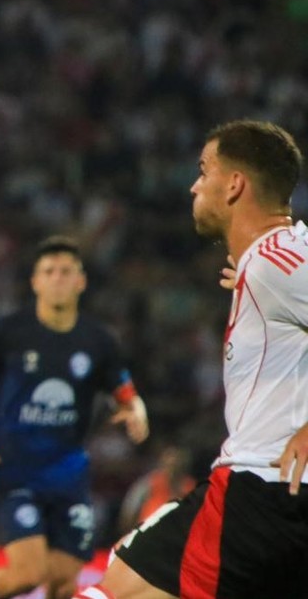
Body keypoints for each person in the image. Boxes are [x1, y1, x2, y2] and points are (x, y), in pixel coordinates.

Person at [79, 121, 308, 599]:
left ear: (235, 184)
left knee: (122, 585)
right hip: (278, 498)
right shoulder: (272, 263)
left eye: (204, 171)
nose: (194, 186)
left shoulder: (276, 264)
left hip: (262, 492)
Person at [0, 236, 149, 599]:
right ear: (35, 282)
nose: (57, 278)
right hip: (16, 471)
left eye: (65, 271)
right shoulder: (9, 331)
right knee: (29, 574)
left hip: (69, 475)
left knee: (62, 583)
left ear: (81, 281)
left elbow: (125, 393)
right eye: (49, 271)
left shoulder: (98, 341)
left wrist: (136, 410)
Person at [115, 445, 195, 537]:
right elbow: (129, 513)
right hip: (146, 536)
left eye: (177, 466)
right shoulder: (149, 483)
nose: (172, 471)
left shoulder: (191, 488)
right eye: (170, 465)